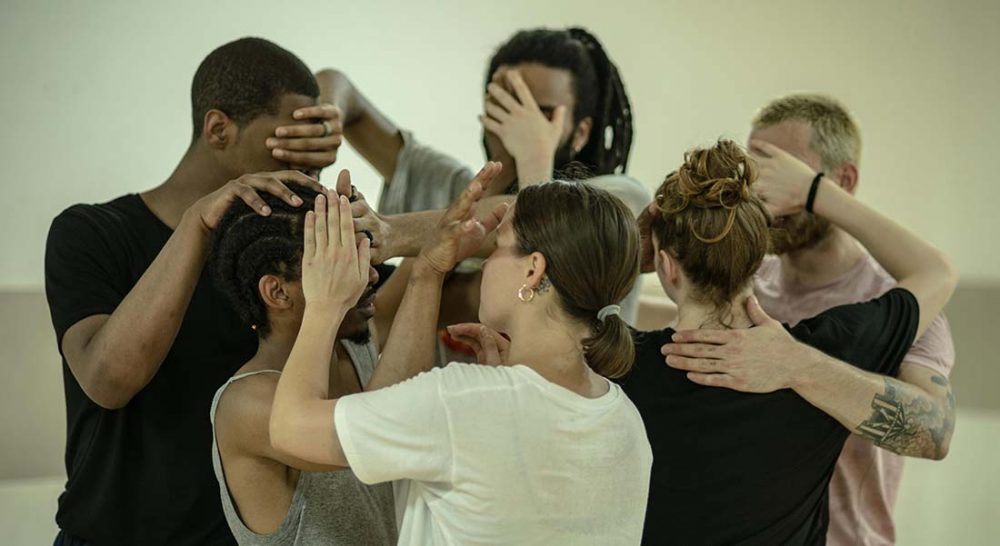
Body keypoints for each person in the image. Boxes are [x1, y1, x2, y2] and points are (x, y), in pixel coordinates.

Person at [43, 37, 339, 546]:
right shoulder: (91, 232)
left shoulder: (276, 255)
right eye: (286, 134)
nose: (302, 152)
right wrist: (196, 227)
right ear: (219, 129)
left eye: (311, 134)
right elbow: (108, 379)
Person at [268, 167, 653, 545]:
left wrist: (324, 304)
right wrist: (429, 270)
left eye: (498, 246)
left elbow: (289, 429)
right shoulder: (628, 422)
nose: (485, 263)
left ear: (534, 270)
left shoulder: (463, 401)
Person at [624, 140, 957, 544]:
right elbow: (936, 272)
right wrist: (816, 192)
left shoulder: (620, 361)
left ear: (664, 264)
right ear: (756, 258)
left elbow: (554, 303)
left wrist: (630, 249)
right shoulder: (832, 347)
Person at [266, 26, 651, 326]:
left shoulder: (617, 199)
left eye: (540, 112)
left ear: (581, 131)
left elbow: (553, 230)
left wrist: (534, 156)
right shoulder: (452, 187)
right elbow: (342, 87)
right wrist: (326, 115)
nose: (520, 122)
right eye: (508, 104)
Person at [208, 174, 403, 545]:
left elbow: (445, 244)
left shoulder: (354, 345)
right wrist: (328, 304)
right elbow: (378, 438)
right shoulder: (246, 404)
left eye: (361, 255)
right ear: (277, 291)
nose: (371, 275)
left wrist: (429, 268)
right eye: (342, 262)